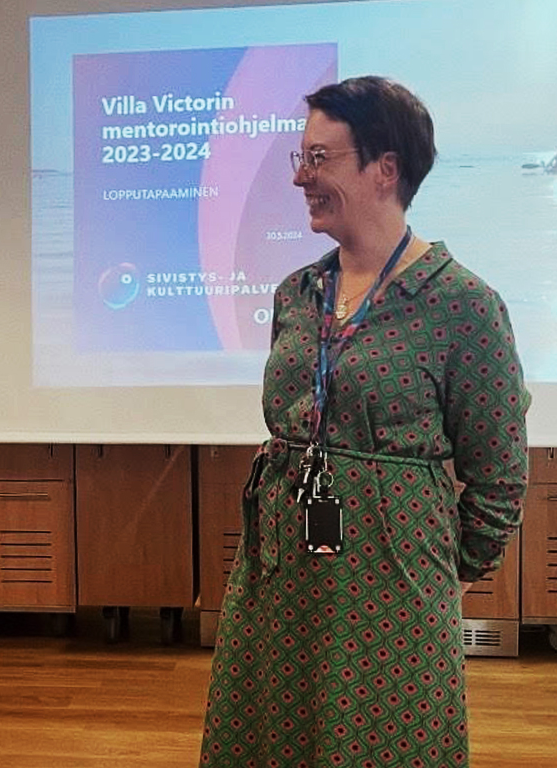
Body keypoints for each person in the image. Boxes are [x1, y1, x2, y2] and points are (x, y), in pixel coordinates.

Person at [199, 76, 529, 767]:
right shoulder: (297, 293)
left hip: (394, 596)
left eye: (320, 159)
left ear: (386, 169)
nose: (301, 178)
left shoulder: (464, 305)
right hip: (278, 580)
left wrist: (431, 573)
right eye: (300, 158)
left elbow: (499, 479)